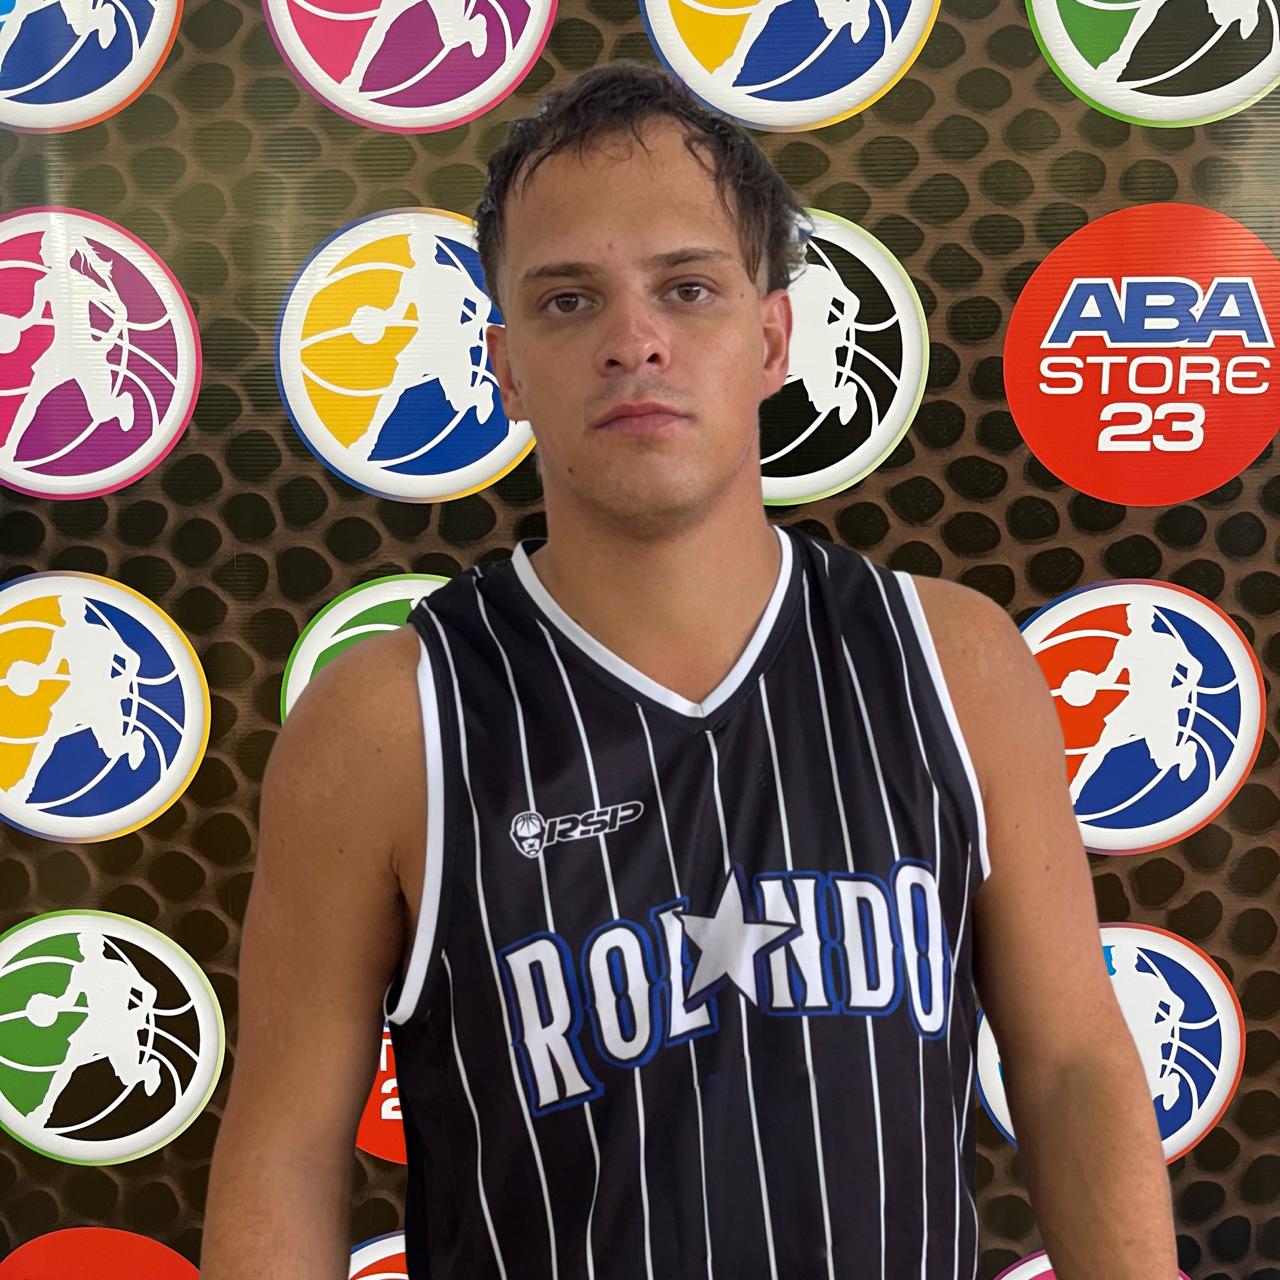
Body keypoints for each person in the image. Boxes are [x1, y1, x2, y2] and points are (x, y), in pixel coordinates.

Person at [201, 62, 1177, 1280]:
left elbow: (1070, 1061)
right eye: (568, 300)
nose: (634, 341)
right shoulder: (390, 719)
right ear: (504, 365)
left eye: (687, 288)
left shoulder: (953, 660)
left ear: (769, 338)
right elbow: (285, 1153)